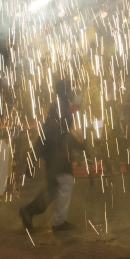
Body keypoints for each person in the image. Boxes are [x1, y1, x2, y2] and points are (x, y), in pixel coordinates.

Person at [19, 80, 83, 232]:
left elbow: (59, 132)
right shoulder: (61, 107)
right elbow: (52, 133)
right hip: (56, 156)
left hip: (54, 155)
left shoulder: (61, 106)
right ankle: (58, 222)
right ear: (66, 91)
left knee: (53, 189)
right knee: (65, 183)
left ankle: (29, 211)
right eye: (70, 90)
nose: (73, 92)